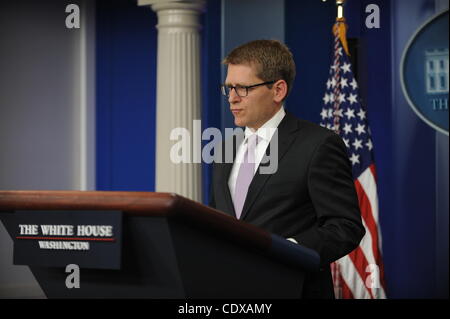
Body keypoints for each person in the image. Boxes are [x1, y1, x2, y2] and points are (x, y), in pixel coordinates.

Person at [209, 39, 365, 299]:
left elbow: (345, 226)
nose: (232, 99)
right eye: (229, 88)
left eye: (243, 88)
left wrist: (288, 251)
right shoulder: (224, 149)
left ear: (278, 90)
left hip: (294, 288)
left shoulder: (318, 145)